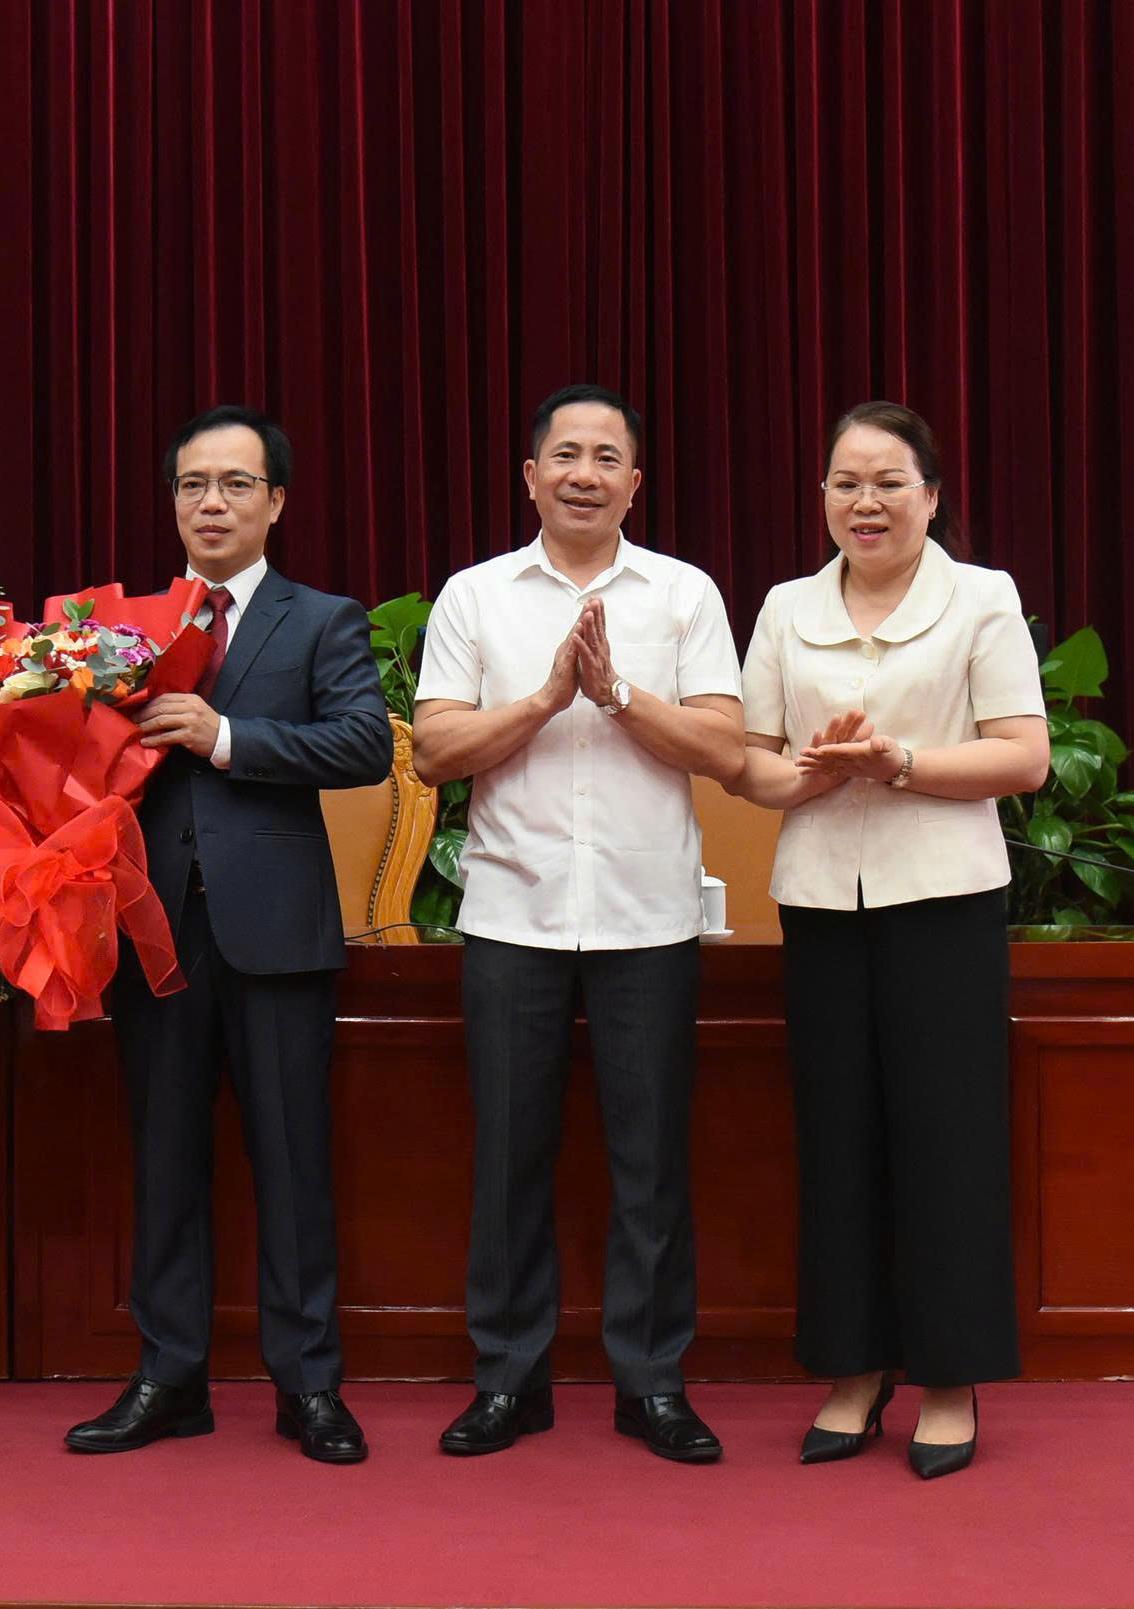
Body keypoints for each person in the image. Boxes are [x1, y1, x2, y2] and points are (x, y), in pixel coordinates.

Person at [411, 384, 745, 1461]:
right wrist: (548, 697)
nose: (585, 473)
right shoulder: (475, 596)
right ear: (530, 476)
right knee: (510, 1158)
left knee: (649, 1163)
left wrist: (617, 695)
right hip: (514, 913)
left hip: (648, 916)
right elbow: (432, 752)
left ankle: (652, 1382)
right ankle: (508, 1380)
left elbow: (725, 751)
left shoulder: (684, 595)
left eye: (608, 457)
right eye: (565, 454)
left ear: (634, 483)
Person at [63, 405, 393, 1464]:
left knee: (293, 1164)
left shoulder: (322, 619)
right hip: (151, 929)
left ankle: (309, 1387)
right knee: (163, 1160)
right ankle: (168, 1376)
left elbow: (360, 744)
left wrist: (226, 735)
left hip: (277, 934)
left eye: (235, 484)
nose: (212, 502)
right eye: (194, 484)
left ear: (276, 502)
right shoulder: (118, 627)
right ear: (173, 501)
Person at [726, 400, 1048, 1480]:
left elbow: (1021, 759)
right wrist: (817, 771)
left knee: (946, 1144)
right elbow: (753, 767)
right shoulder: (782, 607)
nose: (864, 503)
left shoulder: (981, 600)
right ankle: (852, 1371)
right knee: (838, 1141)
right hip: (821, 904)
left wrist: (897, 762)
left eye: (887, 482)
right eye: (844, 484)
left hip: (943, 905)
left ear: (931, 494)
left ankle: (948, 1380)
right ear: (821, 499)